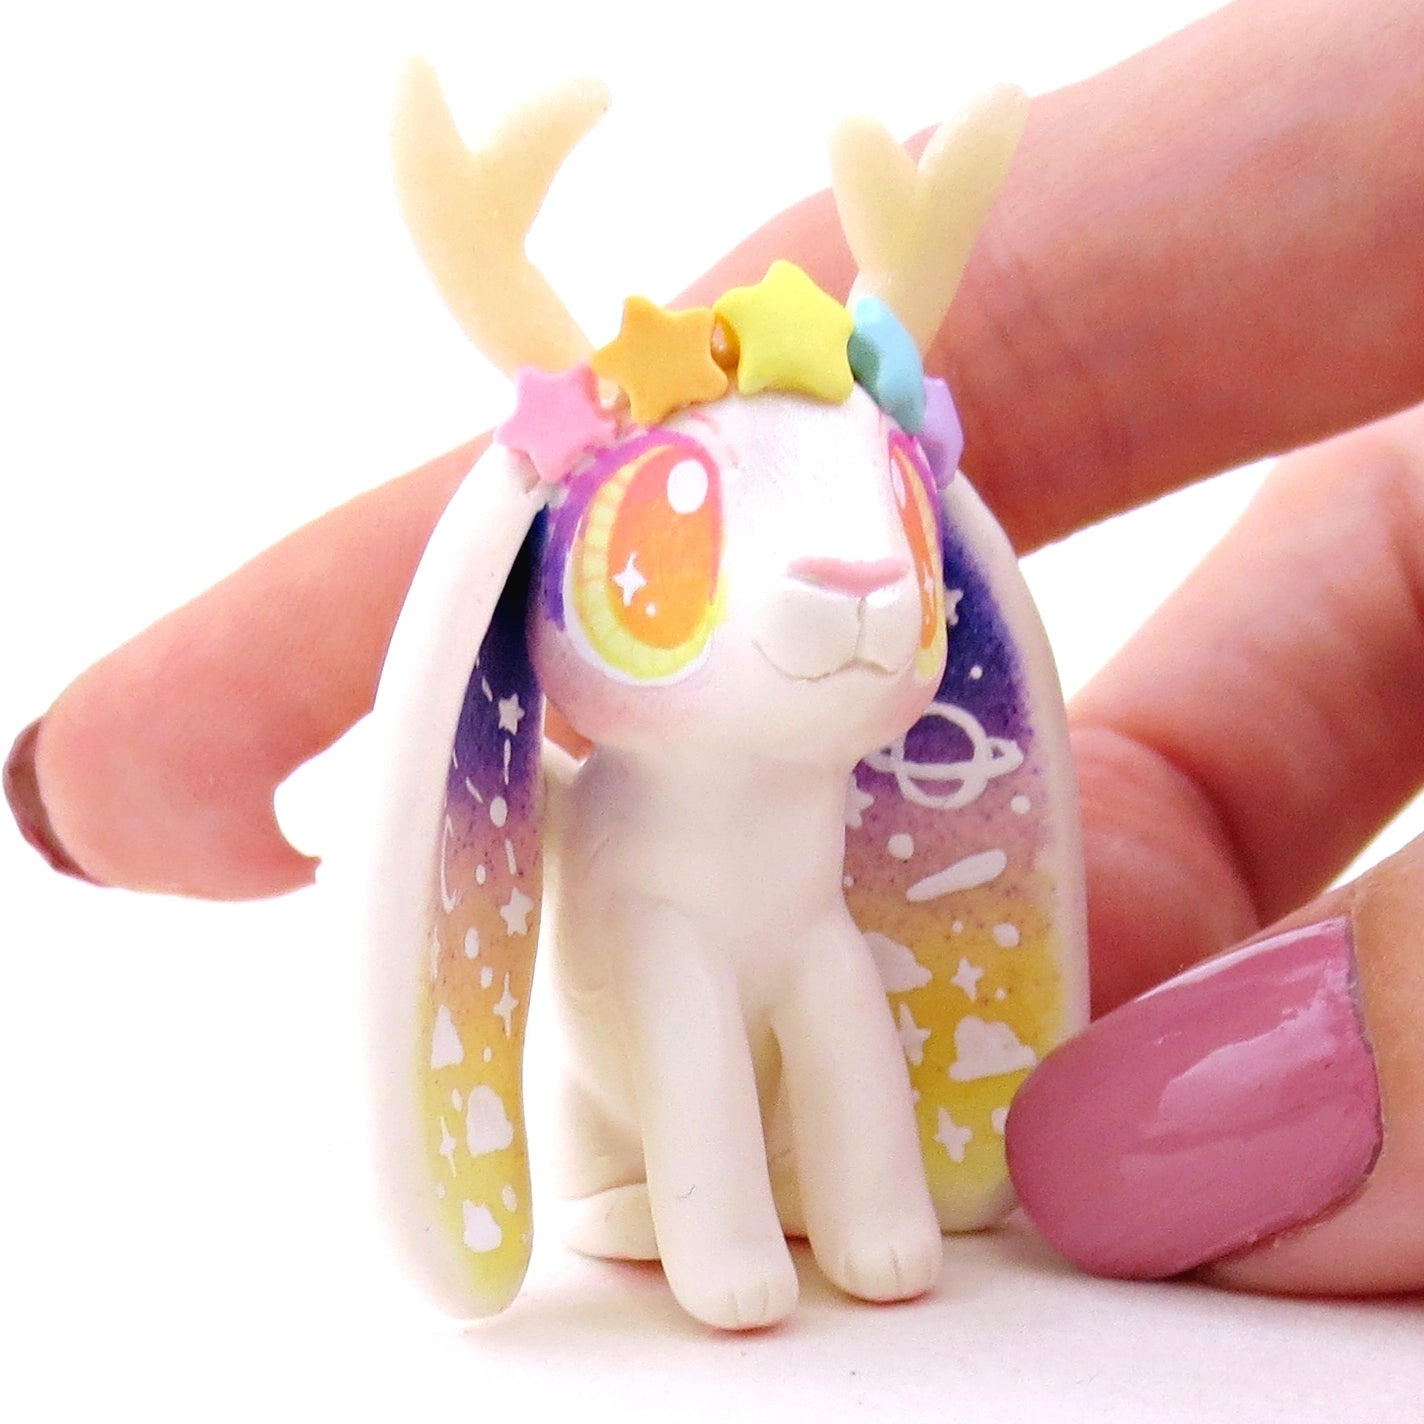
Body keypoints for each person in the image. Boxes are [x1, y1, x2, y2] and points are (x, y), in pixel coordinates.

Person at [6, 0, 1422, 1295]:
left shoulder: (852, 732)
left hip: (799, 901)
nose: (854, 578)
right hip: (647, 994)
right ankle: (700, 1222)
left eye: (890, 515)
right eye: (682, 525)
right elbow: (667, 1013)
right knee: (687, 1002)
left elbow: (827, 975)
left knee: (838, 988)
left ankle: (864, 1210)